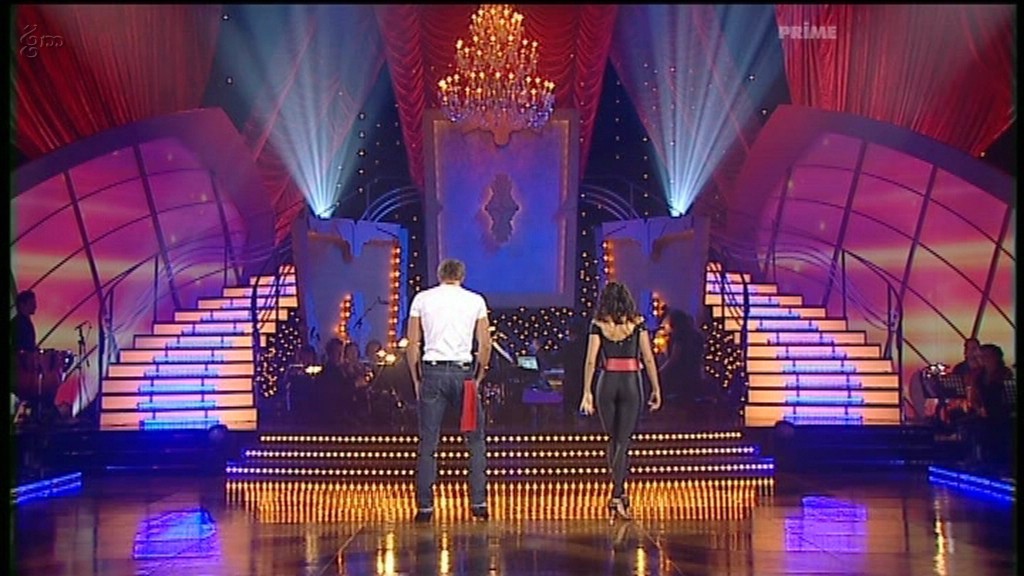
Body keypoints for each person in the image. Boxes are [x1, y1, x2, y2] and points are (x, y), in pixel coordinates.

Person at [406, 258, 491, 522]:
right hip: (463, 374)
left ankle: (425, 507)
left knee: (428, 442)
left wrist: (416, 379)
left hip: (432, 374)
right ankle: (478, 503)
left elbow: (412, 344)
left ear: (439, 274)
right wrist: (478, 378)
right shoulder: (475, 300)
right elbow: (485, 345)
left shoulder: (422, 299)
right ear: (462, 276)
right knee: (475, 442)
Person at [580, 281, 662, 521]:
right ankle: (617, 495)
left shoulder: (598, 324)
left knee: (614, 440)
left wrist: (587, 391)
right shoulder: (637, 323)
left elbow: (591, 360)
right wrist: (656, 388)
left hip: (607, 382)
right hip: (630, 382)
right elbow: (648, 357)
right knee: (623, 441)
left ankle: (620, 492)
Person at [962, 343, 1014, 470]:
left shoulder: (1004, 373)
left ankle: (996, 461)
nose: (983, 359)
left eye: (986, 356)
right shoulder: (979, 374)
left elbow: (1006, 398)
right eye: (981, 356)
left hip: (1001, 412)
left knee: (992, 427)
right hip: (983, 411)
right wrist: (978, 408)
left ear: (996, 357)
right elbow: (974, 396)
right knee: (967, 423)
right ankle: (976, 458)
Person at [658, 309, 706, 410]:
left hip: (680, 377)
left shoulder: (679, 338)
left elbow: (674, 359)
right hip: (694, 374)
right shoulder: (697, 336)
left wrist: (660, 372)